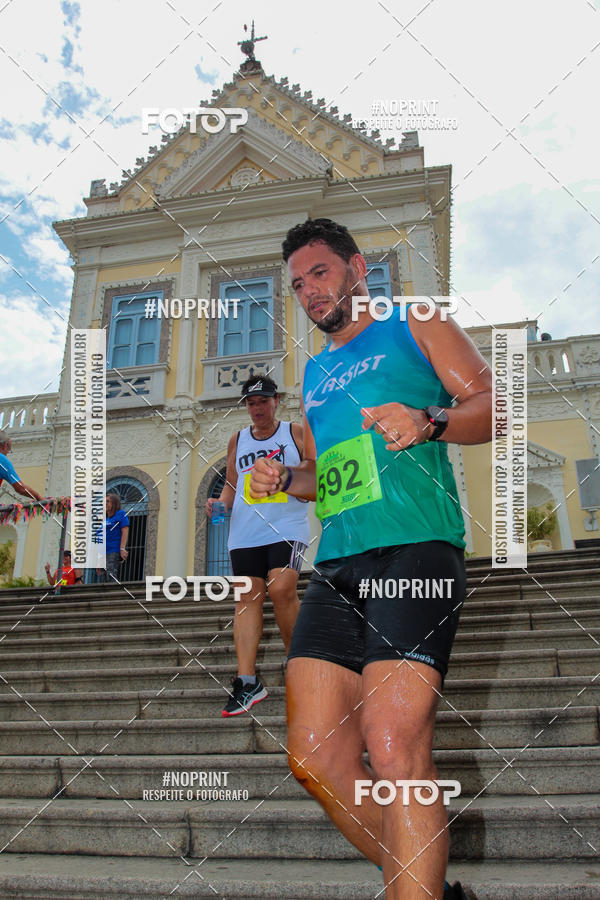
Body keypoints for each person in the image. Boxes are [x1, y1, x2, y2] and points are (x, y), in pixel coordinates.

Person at [250, 219, 492, 900]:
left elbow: (495, 404)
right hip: (338, 565)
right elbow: (328, 477)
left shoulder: (415, 319)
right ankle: (428, 888)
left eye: (320, 273)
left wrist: (431, 419)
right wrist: (285, 478)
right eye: (297, 284)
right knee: (314, 758)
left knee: (392, 746)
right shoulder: (315, 371)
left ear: (357, 268)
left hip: (417, 548)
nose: (308, 292)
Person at [206, 374, 310, 718]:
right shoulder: (237, 439)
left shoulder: (293, 432)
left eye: (263, 401)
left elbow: (310, 472)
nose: (257, 409)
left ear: (275, 401)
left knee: (281, 588)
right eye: (251, 403)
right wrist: (218, 508)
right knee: (246, 598)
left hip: (286, 526)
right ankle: (248, 681)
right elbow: (231, 487)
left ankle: (299, 667)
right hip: (245, 533)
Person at [0, 430, 45, 502]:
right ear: (5, 445)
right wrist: (39, 497)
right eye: (8, 451)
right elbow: (20, 488)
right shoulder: (2, 460)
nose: (6, 454)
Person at [96, 492, 129, 583]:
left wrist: (122, 548)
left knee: (110, 574)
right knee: (103, 577)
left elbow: (125, 531)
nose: (105, 503)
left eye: (108, 501)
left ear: (114, 503)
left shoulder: (120, 514)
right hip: (103, 552)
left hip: (113, 550)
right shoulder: (105, 520)